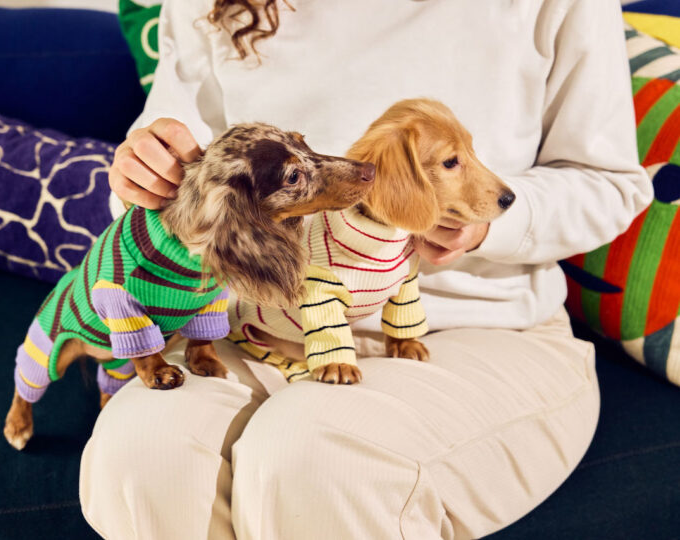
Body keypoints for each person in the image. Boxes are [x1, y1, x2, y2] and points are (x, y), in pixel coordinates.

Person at [80, 1, 653, 538]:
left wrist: (487, 222)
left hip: (481, 324)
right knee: (140, 453)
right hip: (260, 320)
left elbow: (609, 185)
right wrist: (146, 175)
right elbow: (167, 187)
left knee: (315, 461)